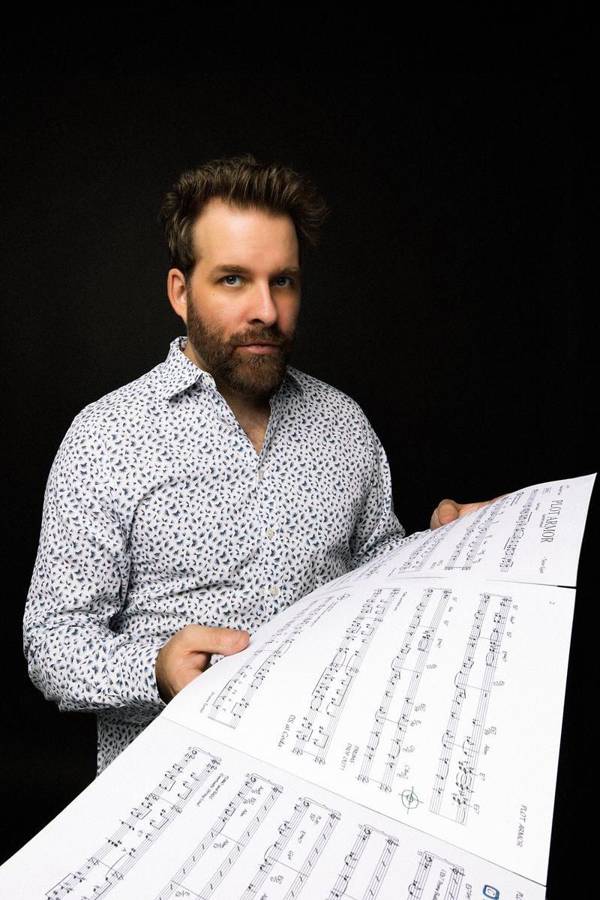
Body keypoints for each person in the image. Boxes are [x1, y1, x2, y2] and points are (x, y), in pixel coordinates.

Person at [23, 154, 493, 774]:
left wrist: (448, 548)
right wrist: (153, 671)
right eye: (233, 280)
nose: (267, 311)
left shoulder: (344, 423)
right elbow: (53, 642)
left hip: (327, 776)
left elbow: (379, 577)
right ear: (179, 290)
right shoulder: (106, 436)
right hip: (168, 793)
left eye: (284, 281)